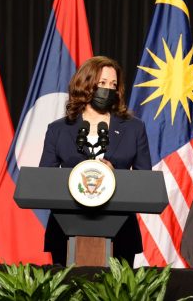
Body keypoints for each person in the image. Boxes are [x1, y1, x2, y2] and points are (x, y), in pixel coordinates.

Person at [39, 55, 152, 266]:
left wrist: (114, 174)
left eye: (113, 84)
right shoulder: (59, 130)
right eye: (102, 83)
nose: (108, 89)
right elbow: (45, 181)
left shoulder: (134, 128)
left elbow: (145, 181)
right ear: (86, 84)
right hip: (66, 229)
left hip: (120, 231)